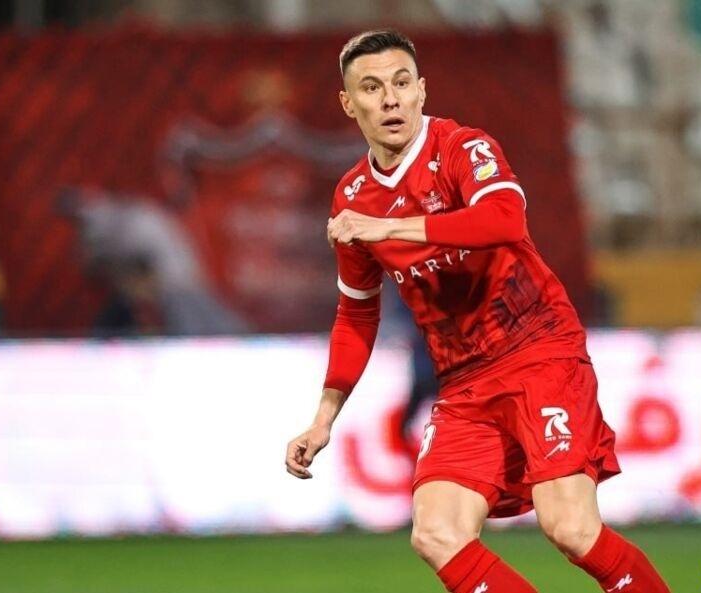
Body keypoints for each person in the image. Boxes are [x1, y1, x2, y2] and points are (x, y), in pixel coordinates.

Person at [285, 30, 671, 593]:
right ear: (349, 103)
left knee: (570, 527)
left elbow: (504, 220)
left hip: (538, 350)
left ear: (421, 90)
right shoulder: (352, 198)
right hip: (464, 381)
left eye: (400, 83)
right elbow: (357, 314)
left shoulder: (462, 148)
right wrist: (324, 418)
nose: (389, 99)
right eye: (371, 88)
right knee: (436, 532)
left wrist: (389, 228)